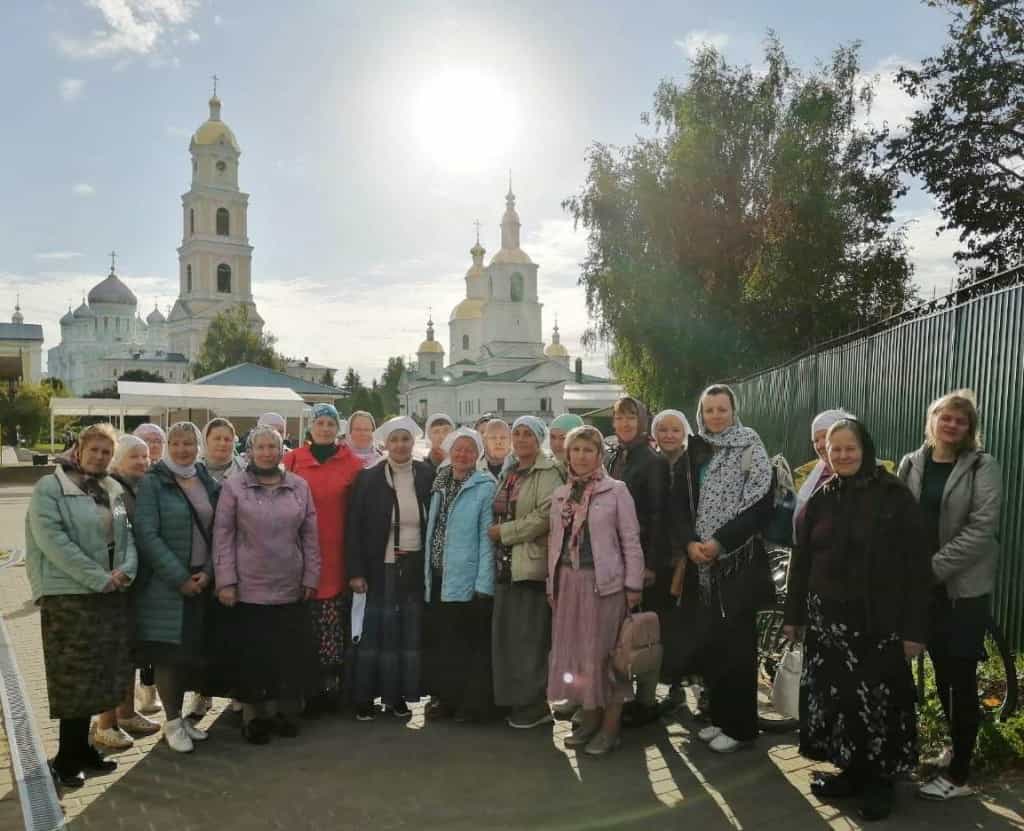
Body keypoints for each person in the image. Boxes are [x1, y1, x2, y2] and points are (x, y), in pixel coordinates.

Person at [784, 418, 930, 822]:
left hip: (877, 624)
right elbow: (802, 559)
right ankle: (851, 771)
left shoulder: (893, 495)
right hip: (827, 623)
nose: (843, 455)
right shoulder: (821, 497)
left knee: (878, 704)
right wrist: (793, 616)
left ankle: (880, 783)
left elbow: (918, 568)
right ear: (826, 454)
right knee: (839, 702)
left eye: (850, 448)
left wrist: (915, 630)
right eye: (836, 450)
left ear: (864, 449)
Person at [898, 391, 1001, 800]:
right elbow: (899, 520)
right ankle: (954, 748)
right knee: (942, 676)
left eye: (961, 421)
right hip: (922, 590)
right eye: (946, 417)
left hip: (961, 591)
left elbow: (982, 529)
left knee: (959, 679)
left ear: (969, 428)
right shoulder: (912, 462)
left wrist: (933, 569)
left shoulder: (981, 466)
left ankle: (959, 775)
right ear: (932, 420)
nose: (952, 425)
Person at [26, 424, 136, 789]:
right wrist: (98, 577)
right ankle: (65, 758)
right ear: (78, 449)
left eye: (107, 452)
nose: (100, 457)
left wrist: (125, 571)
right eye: (95, 450)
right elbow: (52, 542)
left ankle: (85, 749)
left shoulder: (112, 489)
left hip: (106, 594)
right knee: (72, 679)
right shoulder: (51, 488)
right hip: (68, 597)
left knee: (97, 676)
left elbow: (126, 539)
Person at [214, 425, 321, 744]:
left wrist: (311, 576)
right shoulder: (234, 487)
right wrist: (226, 581)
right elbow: (223, 536)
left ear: (281, 450)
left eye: (272, 447)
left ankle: (280, 713)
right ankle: (253, 717)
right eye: (259, 447)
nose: (266, 452)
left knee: (285, 654)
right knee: (253, 656)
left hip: (289, 584)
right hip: (249, 588)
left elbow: (310, 535)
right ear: (249, 451)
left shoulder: (299, 486)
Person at [684, 384, 775, 753]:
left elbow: (759, 502)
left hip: (736, 561)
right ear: (701, 413)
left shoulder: (749, 444)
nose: (716, 416)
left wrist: (720, 542)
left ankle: (741, 727)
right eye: (709, 410)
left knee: (738, 647)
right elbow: (685, 502)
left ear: (734, 411)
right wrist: (690, 543)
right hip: (701, 565)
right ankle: (720, 717)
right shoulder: (697, 449)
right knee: (714, 646)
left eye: (723, 409)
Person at [547, 425, 645, 756]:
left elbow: (630, 540)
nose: (581, 456)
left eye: (588, 450)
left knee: (607, 659)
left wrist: (633, 585)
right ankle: (588, 720)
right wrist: (552, 584)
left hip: (605, 587)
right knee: (579, 658)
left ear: (600, 455)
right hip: (570, 585)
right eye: (575, 450)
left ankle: (610, 729)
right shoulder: (562, 494)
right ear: (567, 454)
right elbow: (554, 545)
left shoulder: (616, 490)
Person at [133, 421, 220, 754]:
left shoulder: (204, 478)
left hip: (201, 580)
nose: (183, 449)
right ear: (168, 445)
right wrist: (179, 577)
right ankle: (171, 722)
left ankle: (182, 719)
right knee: (169, 656)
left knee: (189, 655)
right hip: (167, 585)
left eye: (189, 443)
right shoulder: (154, 482)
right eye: (177, 443)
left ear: (198, 446)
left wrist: (208, 573)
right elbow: (146, 534)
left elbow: (218, 531)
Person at [346, 416, 433, 720]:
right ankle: (364, 698)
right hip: (378, 567)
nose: (400, 445)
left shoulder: (425, 474)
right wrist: (355, 571)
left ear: (413, 443)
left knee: (405, 636)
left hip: (413, 566)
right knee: (373, 635)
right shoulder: (369, 477)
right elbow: (353, 526)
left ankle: (397, 698)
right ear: (385, 443)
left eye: (405, 439)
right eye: (394, 440)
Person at [283, 403, 363, 714]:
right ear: (310, 428)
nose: (326, 428)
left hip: (337, 555)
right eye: (321, 423)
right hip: (299, 554)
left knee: (333, 624)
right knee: (304, 624)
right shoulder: (292, 460)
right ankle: (305, 688)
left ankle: (332, 690)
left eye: (331, 423)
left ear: (338, 428)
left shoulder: (351, 463)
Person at [489, 415, 564, 729]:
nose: (521, 439)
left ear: (539, 439)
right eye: (516, 433)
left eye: (527, 434)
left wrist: (505, 532)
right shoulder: (510, 471)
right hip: (506, 567)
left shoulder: (549, 472)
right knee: (510, 639)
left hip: (530, 566)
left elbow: (544, 516)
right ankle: (517, 700)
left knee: (530, 639)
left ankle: (535, 705)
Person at [423, 428, 497, 722]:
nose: (463, 454)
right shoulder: (439, 482)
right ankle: (447, 700)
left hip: (467, 580)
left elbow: (486, 540)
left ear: (477, 454)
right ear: (450, 450)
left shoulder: (484, 486)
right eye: (458, 448)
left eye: (470, 449)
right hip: (440, 576)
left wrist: (483, 585)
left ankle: (471, 705)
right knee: (445, 644)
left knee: (469, 646)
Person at [92, 435, 161, 751]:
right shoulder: (110, 491)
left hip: (136, 586)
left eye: (146, 456)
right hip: (115, 584)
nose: (143, 462)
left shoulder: (135, 487)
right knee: (114, 656)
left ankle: (127, 712)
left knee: (130, 653)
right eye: (135, 456)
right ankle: (105, 724)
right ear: (118, 460)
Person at [604, 396, 670, 726]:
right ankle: (622, 698)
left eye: (632, 417)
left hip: (641, 555)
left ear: (642, 421)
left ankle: (645, 702)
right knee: (620, 633)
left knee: (642, 631)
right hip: (613, 556)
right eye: (620, 417)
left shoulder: (652, 461)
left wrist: (651, 565)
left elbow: (659, 517)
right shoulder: (614, 456)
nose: (626, 423)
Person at [650, 408, 695, 706]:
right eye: (663, 429)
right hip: (656, 556)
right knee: (660, 623)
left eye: (675, 430)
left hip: (685, 556)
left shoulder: (692, 465)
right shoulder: (650, 464)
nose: (668, 435)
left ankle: (683, 684)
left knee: (684, 625)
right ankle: (663, 683)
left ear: (685, 433)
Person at [792, 409, 854, 540]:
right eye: (815, 440)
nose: (819, 445)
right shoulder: (808, 477)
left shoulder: (877, 476)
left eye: (825, 437)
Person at [200, 417, 245, 483]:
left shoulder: (245, 471)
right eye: (217, 439)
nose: (222, 443)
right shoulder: (194, 471)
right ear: (206, 441)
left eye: (227, 439)